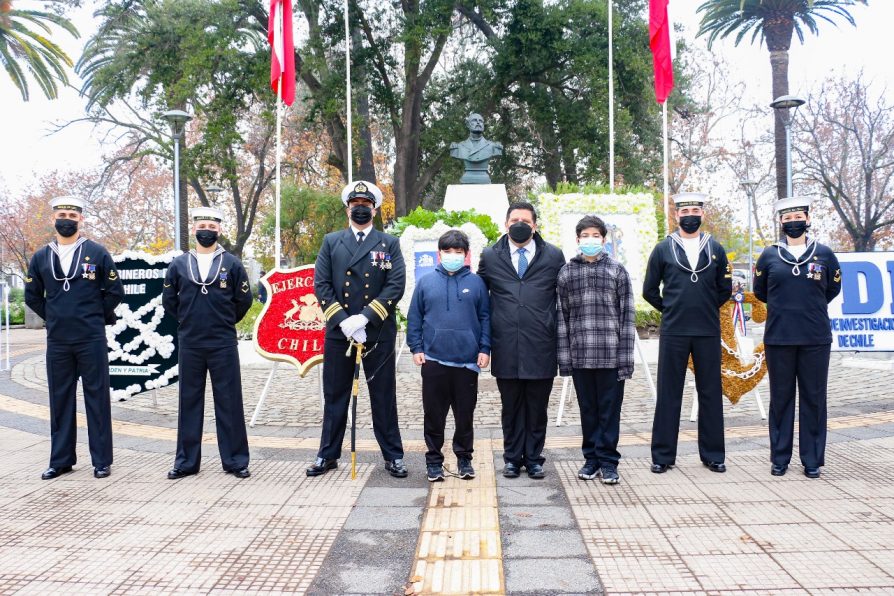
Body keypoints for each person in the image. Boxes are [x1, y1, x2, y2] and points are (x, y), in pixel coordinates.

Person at [308, 180, 408, 478]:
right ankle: (327, 454)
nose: (360, 209)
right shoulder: (331, 241)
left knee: (383, 395)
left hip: (376, 330)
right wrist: (345, 321)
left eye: (366, 205)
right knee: (335, 395)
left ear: (375, 210)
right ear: (347, 209)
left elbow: (395, 284)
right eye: (356, 205)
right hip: (340, 333)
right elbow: (322, 285)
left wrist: (365, 317)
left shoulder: (389, 243)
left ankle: (393, 455)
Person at [25, 196, 124, 480]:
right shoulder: (42, 256)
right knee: (60, 400)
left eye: (71, 214)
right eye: (61, 214)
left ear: (81, 219)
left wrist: (94, 316)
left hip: (90, 338)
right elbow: (33, 296)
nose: (66, 219)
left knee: (97, 399)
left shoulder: (96, 251)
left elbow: (115, 290)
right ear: (52, 220)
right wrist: (54, 316)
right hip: (58, 341)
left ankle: (101, 461)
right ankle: (61, 460)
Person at [643, 192, 732, 474]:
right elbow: (649, 290)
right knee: (669, 393)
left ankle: (713, 455)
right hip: (674, 331)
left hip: (707, 330)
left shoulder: (715, 248)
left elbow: (724, 290)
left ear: (702, 215)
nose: (690, 215)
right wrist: (670, 308)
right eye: (685, 211)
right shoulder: (663, 249)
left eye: (695, 210)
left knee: (710, 392)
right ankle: (663, 456)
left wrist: (703, 307)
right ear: (677, 215)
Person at [162, 207, 254, 480]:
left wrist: (224, 321)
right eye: (202, 225)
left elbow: (244, 300)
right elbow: (170, 302)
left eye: (211, 227)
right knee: (188, 401)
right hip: (190, 341)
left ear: (219, 230)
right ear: (193, 229)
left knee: (229, 401)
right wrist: (189, 320)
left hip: (223, 341)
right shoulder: (179, 264)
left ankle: (236, 461)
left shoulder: (233, 264)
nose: (206, 231)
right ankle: (186, 462)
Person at [753, 197, 841, 479]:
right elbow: (761, 291)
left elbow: (832, 289)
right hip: (779, 337)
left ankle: (812, 459)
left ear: (807, 219)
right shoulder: (769, 256)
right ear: (781, 222)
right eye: (787, 218)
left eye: (798, 217)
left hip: (815, 337)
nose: (793, 222)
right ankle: (780, 458)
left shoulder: (824, 254)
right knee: (781, 398)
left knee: (814, 398)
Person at [478, 201, 565, 479]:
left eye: (525, 221)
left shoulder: (553, 255)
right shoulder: (490, 255)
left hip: (541, 343)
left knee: (537, 407)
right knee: (511, 406)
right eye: (514, 219)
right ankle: (513, 458)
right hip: (506, 345)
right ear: (505, 224)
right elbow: (480, 299)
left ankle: (535, 458)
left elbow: (565, 297)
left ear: (535, 225)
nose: (519, 224)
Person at [407, 230, 491, 482]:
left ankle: (464, 459)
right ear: (439, 254)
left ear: (466, 255)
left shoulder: (476, 283)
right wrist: (416, 347)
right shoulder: (425, 282)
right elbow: (415, 317)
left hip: (467, 363)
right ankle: (434, 461)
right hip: (434, 361)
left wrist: (484, 348)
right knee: (434, 415)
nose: (453, 256)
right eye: (447, 252)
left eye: (458, 252)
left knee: (464, 415)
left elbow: (486, 317)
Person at [557, 215, 635, 484]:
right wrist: (565, 361)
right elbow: (562, 319)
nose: (590, 240)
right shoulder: (567, 273)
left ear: (603, 239)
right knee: (587, 410)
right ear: (577, 240)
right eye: (585, 236)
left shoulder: (617, 271)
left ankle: (609, 462)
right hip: (581, 357)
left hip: (610, 356)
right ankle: (591, 459)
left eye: (595, 236)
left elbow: (628, 317)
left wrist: (625, 360)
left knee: (609, 411)